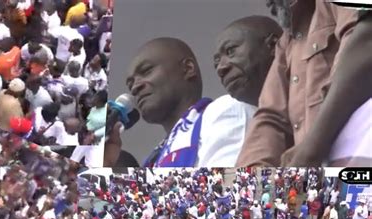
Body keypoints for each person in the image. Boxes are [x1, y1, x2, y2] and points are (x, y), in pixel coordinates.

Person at [236, 0, 369, 166]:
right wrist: (252, 179)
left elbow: (365, 44)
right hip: (327, 175)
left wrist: (311, 147)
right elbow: (271, 117)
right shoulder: (287, 44)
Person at [105, 37, 256, 167]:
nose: (135, 87)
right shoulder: (156, 157)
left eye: (146, 71)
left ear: (187, 68)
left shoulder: (225, 110)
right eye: (130, 84)